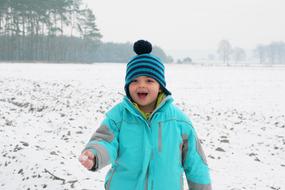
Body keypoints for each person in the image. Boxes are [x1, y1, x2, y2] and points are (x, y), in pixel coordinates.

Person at [79, 40, 212, 190]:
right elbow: (105, 140)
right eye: (134, 81)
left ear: (160, 87)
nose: (141, 85)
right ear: (128, 86)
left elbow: (195, 164)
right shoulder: (119, 116)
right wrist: (95, 154)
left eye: (149, 80)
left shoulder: (179, 122)